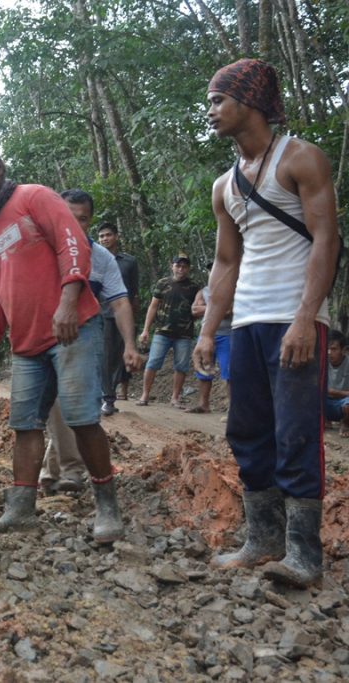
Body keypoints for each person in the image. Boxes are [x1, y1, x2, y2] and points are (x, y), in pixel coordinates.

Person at [194, 58, 339, 588]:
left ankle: (305, 554)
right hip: (247, 321)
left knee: (296, 432)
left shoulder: (300, 158)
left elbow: (326, 239)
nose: (211, 111)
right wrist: (209, 329)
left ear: (249, 100)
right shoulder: (224, 185)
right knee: (248, 430)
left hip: (293, 318)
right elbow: (225, 262)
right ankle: (263, 538)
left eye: (218, 100)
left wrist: (306, 317)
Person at [0, 136, 123, 544]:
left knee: (81, 417)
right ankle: (21, 509)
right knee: (24, 424)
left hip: (72, 330)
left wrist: (68, 301)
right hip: (27, 345)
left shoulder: (34, 198)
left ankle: (107, 505)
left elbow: (72, 245)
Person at [39, 191, 141, 494]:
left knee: (76, 405)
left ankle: (67, 470)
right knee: (54, 406)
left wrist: (130, 345)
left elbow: (120, 301)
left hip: (83, 336)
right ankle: (56, 469)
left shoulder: (102, 258)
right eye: (68, 217)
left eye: (82, 219)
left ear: (90, 221)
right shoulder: (40, 251)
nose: (75, 225)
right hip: (41, 337)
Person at [137, 254, 200, 407]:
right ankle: (145, 395)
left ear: (188, 269)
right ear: (172, 266)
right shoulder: (162, 283)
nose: (181, 269)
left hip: (184, 334)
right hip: (162, 331)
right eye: (178, 266)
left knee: (181, 366)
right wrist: (146, 330)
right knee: (153, 362)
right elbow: (153, 306)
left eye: (184, 266)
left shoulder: (194, 287)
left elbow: (198, 308)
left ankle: (175, 397)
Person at [97, 221, 140, 408]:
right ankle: (107, 397)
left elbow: (134, 291)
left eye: (108, 235)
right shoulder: (95, 259)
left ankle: (109, 394)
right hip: (102, 314)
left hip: (123, 316)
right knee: (105, 357)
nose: (105, 239)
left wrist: (133, 319)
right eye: (101, 236)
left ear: (116, 237)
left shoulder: (129, 262)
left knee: (119, 358)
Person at [187, 280, 232, 414]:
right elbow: (194, 310)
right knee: (203, 368)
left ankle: (233, 409)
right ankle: (203, 404)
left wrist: (206, 308)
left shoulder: (232, 289)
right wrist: (218, 308)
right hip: (206, 335)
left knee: (229, 371)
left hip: (227, 334)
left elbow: (229, 310)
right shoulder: (203, 291)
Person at [325, 330, 349, 437]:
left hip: (344, 405)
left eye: (334, 349)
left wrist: (333, 392)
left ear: (344, 350)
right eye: (327, 349)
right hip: (325, 403)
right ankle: (324, 420)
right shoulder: (322, 363)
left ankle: (346, 422)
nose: (329, 352)